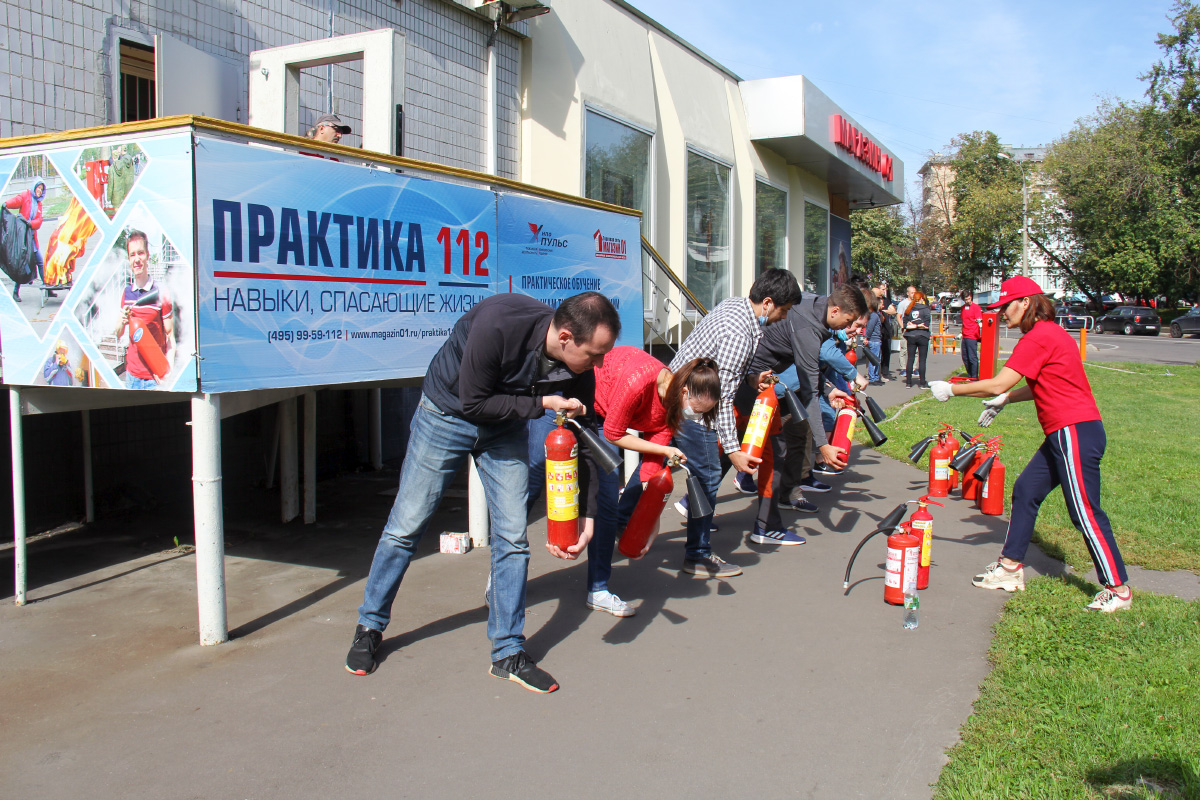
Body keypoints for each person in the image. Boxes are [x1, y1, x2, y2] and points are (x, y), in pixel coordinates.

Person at [346, 292, 620, 692]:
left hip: (504, 429)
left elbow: (587, 436)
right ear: (565, 337)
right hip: (447, 415)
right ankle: (369, 625)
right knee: (406, 526)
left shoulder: (578, 365)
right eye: (594, 355)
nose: (598, 364)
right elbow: (473, 403)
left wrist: (589, 518)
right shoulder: (498, 324)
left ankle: (507, 651)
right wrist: (541, 402)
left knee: (512, 537)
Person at [928, 276, 1132, 612]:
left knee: (1083, 511)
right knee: (1025, 491)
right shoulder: (1049, 334)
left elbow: (995, 384)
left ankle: (1118, 589)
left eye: (1005, 306)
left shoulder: (1039, 337)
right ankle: (1010, 569)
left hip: (1074, 431)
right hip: (1064, 433)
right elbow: (1041, 384)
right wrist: (1008, 399)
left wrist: (953, 389)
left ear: (1026, 303)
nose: (1001, 314)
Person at [667, 268, 802, 576]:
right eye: (784, 310)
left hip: (683, 394)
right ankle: (698, 554)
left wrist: (751, 378)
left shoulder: (733, 306)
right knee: (709, 473)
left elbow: (723, 369)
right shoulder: (740, 332)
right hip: (692, 407)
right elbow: (724, 399)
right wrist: (732, 451)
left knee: (660, 461)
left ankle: (622, 521)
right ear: (767, 302)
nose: (784, 317)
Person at [578, 351, 720, 616]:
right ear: (685, 391)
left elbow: (651, 466)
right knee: (537, 481)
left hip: (606, 419)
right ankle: (506, 565)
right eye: (697, 410)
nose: (695, 416)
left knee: (607, 504)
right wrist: (668, 452)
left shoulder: (675, 404)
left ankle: (598, 588)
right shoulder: (639, 381)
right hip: (587, 405)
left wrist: (651, 521)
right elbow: (613, 433)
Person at [115, 231, 174, 389]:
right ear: (128, 259)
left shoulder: (161, 292)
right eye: (132, 254)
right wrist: (121, 322)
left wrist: (169, 373)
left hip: (154, 380)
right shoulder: (126, 294)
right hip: (131, 377)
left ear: (147, 255)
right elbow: (118, 333)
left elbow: (170, 337)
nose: (136, 259)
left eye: (140, 253)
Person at [5, 176, 46, 302]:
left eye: (41, 189)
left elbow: (39, 221)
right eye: (38, 187)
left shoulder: (39, 204)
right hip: (22, 238)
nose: (39, 190)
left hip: (32, 238)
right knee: (22, 264)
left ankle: (47, 288)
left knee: (39, 261)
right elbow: (15, 201)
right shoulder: (25, 196)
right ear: (34, 186)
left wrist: (30, 223)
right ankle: (16, 291)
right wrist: (5, 204)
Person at [903, 290, 932, 388]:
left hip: (911, 335)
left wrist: (913, 325)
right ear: (922, 299)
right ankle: (922, 383)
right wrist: (920, 325)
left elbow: (905, 324)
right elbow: (926, 326)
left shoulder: (909, 309)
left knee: (910, 358)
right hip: (923, 336)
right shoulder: (925, 309)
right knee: (922, 360)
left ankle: (908, 382)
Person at [872, 282, 897, 380]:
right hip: (877, 330)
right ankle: (875, 374)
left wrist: (884, 311)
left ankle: (885, 372)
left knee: (887, 351)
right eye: (882, 289)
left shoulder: (886, 300)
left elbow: (893, 311)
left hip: (886, 329)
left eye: (884, 289)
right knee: (876, 352)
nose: (884, 291)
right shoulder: (873, 300)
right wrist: (885, 311)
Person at [959, 290, 983, 380]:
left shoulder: (976, 307)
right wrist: (961, 333)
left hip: (972, 335)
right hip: (965, 334)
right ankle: (970, 375)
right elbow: (964, 322)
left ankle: (974, 376)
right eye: (966, 299)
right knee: (965, 357)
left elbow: (979, 319)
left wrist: (981, 328)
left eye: (969, 298)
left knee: (972, 357)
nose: (968, 301)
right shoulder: (963, 308)